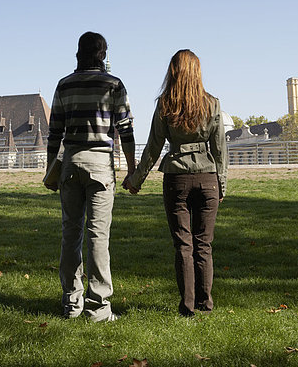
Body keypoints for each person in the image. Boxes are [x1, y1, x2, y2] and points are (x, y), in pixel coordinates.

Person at [123, 49, 228, 317]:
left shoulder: (165, 105)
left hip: (176, 179)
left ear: (173, 72)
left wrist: (136, 180)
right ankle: (206, 305)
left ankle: (187, 306)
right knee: (204, 244)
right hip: (208, 179)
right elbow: (220, 151)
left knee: (183, 244)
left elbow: (153, 148)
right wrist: (222, 185)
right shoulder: (212, 104)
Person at [47, 32, 135, 322]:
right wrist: (132, 168)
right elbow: (126, 130)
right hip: (100, 164)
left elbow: (54, 133)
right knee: (99, 235)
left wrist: (51, 170)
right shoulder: (113, 85)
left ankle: (71, 303)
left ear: (78, 53)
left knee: (70, 234)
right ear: (103, 54)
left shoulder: (64, 85)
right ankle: (98, 307)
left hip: (71, 161)